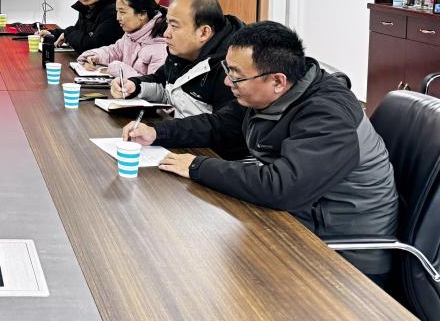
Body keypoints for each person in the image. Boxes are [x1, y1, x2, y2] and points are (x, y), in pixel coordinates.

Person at [123, 21, 399, 282]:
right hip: (294, 222)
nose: (227, 82)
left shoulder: (327, 115)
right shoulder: (271, 93)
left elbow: (283, 187)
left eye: (236, 75)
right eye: (228, 70)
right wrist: (158, 132)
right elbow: (221, 125)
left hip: (342, 256)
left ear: (277, 81)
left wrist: (197, 166)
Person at [112, 0, 242, 120]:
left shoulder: (229, 69)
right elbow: (162, 83)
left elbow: (221, 125)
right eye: (167, 24)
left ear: (204, 32)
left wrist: (163, 130)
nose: (166, 34)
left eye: (174, 26)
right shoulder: (180, 54)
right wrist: (134, 85)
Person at [77, 0, 169, 79]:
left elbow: (154, 84)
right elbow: (115, 51)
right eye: (117, 11)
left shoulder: (160, 48)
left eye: (122, 12)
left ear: (142, 14)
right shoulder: (132, 33)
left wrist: (117, 68)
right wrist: (95, 56)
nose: (118, 18)